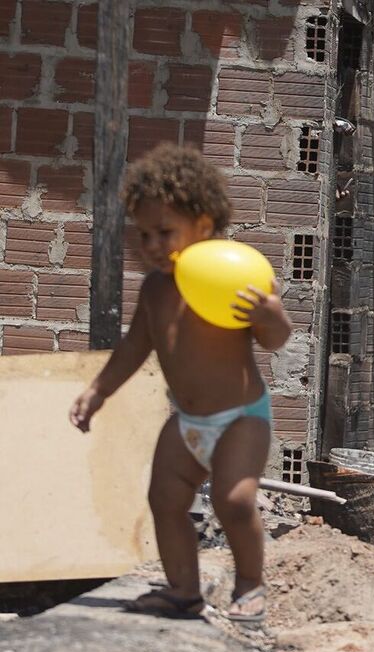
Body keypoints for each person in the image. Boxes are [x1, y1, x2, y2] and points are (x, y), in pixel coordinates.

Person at [70, 144, 292, 622]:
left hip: (241, 418)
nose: (152, 244)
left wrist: (272, 316)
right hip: (188, 421)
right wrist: (98, 390)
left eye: (164, 232)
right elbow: (135, 347)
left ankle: (250, 584)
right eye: (144, 234)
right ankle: (183, 590)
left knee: (235, 501)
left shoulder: (232, 280)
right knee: (164, 500)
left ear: (204, 226)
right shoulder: (155, 289)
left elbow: (274, 341)